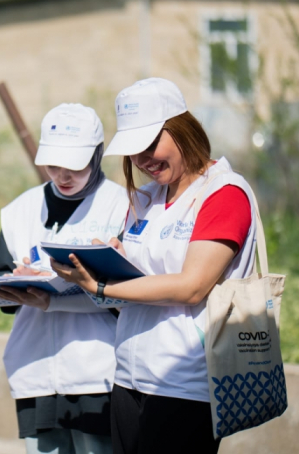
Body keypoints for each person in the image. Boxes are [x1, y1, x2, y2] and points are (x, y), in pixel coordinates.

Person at [51, 78, 257, 454]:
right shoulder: (145, 197)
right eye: (133, 150)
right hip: (130, 374)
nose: (143, 160)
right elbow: (137, 281)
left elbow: (192, 286)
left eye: (150, 144)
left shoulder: (224, 193)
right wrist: (106, 265)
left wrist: (100, 287)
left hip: (186, 381)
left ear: (182, 129)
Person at [0, 103, 130, 454]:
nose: (63, 176)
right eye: (53, 166)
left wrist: (54, 298)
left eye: (74, 167)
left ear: (97, 156)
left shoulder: (122, 205)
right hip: (35, 371)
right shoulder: (20, 210)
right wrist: (14, 284)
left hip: (100, 373)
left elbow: (129, 294)